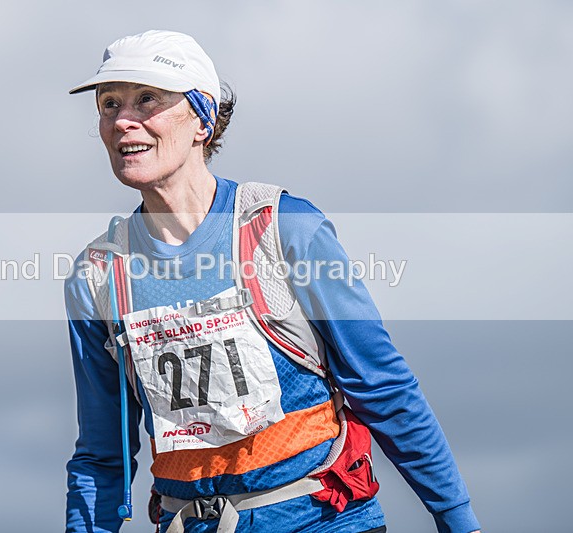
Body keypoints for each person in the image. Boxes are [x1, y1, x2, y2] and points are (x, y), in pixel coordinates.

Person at [64, 30, 481, 533]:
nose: (122, 120)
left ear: (203, 118)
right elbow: (102, 454)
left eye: (146, 99)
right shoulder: (98, 276)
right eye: (109, 104)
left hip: (323, 521)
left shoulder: (284, 228)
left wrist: (457, 518)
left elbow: (382, 387)